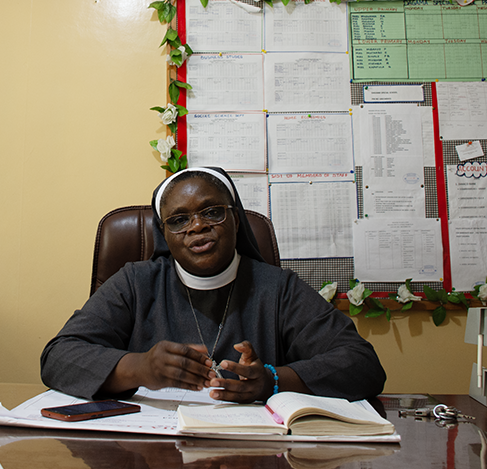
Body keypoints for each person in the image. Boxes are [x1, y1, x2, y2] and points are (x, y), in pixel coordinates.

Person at [41, 167, 386, 404]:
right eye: (178, 220)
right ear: (164, 235)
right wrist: (140, 368)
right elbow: (57, 357)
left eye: (212, 213)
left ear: (235, 218)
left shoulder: (278, 288)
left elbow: (362, 364)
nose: (196, 227)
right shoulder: (135, 282)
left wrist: (272, 381)